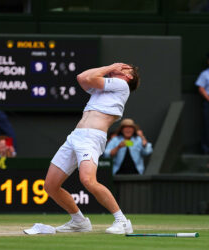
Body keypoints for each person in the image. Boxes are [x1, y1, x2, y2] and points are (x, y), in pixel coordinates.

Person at [32, 63, 140, 235]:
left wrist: (111, 67)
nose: (119, 68)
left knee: (88, 180)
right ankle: (79, 221)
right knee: (50, 186)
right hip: (75, 136)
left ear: (130, 77)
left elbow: (90, 78)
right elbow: (81, 78)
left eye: (124, 68)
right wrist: (110, 67)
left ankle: (122, 221)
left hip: (92, 137)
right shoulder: (102, 89)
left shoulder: (122, 85)